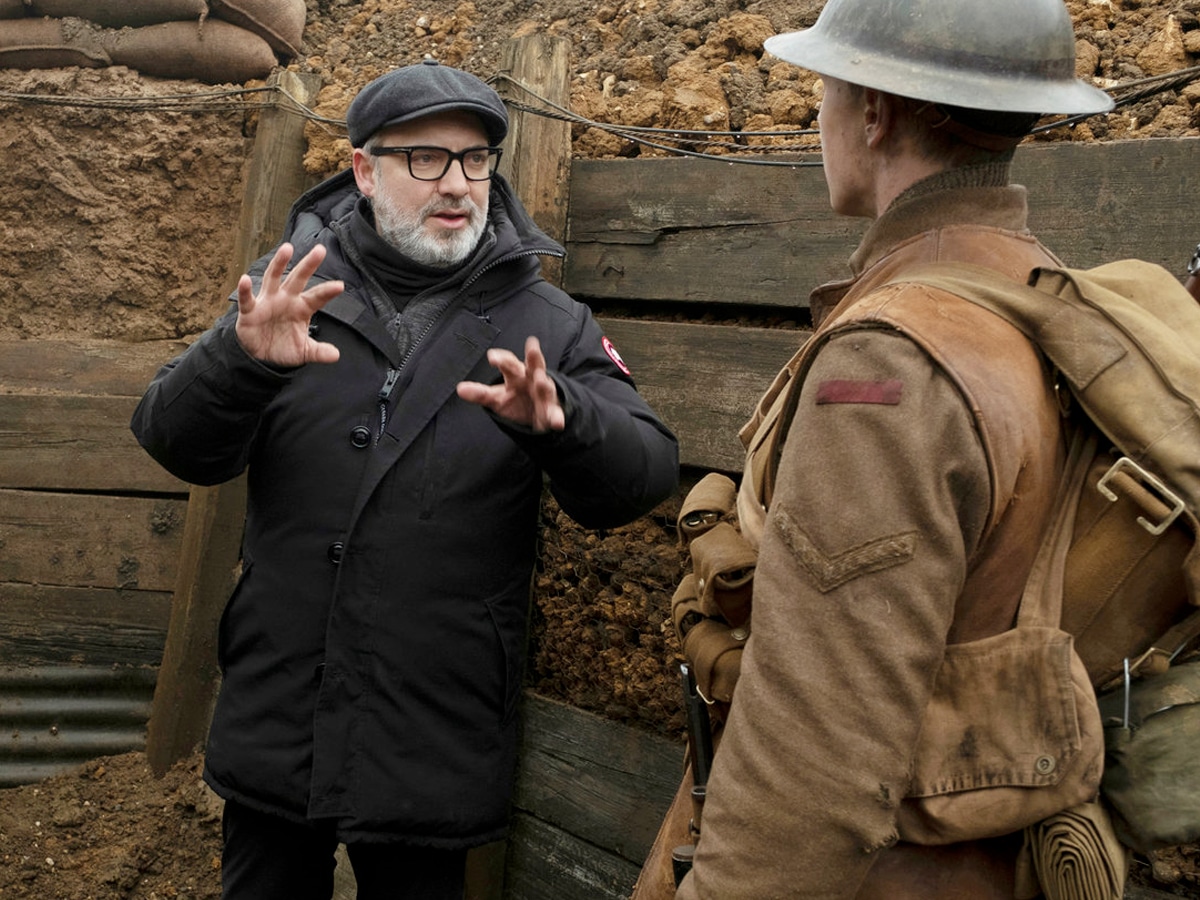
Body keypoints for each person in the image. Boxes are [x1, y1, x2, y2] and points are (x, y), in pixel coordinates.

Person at [130, 60, 678, 900]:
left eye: (474, 160)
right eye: (425, 158)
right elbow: (173, 440)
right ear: (363, 169)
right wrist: (240, 363)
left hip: (433, 722)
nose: (456, 183)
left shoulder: (547, 322)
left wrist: (563, 418)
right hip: (281, 707)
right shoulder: (293, 288)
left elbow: (642, 474)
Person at [674, 1, 1119, 898]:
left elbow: (811, 765)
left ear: (873, 110)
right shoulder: (1029, 289)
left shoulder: (890, 364)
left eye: (828, 86)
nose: (819, 117)